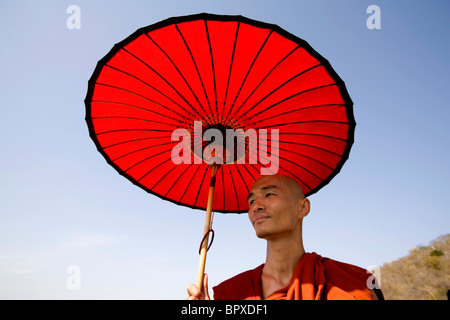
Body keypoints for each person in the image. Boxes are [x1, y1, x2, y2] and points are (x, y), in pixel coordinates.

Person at [187, 174, 383, 300]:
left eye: (270, 194)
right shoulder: (232, 293)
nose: (256, 206)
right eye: (252, 201)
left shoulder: (351, 283)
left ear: (302, 207)